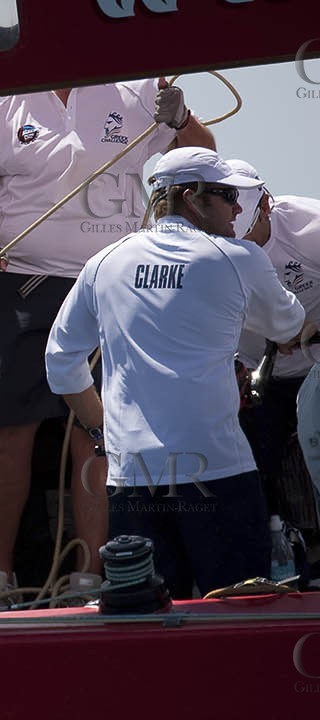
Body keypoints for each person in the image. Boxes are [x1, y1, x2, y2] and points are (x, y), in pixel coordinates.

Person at [0, 78, 215, 601]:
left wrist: (182, 119)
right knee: (5, 430)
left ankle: (90, 579)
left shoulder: (140, 89)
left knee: (98, 433)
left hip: (112, 282)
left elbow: (203, 163)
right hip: (18, 283)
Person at [45, 148, 310, 598]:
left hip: (131, 477)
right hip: (218, 471)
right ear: (191, 198)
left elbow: (61, 361)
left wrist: (103, 430)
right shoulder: (239, 258)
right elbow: (288, 325)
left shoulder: (104, 263)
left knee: (148, 618)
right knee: (236, 611)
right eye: (228, 196)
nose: (238, 209)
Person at [223, 162, 320, 516]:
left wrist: (308, 329)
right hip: (257, 377)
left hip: (316, 370)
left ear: (265, 204)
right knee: (255, 475)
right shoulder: (206, 245)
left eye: (246, 230)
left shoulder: (310, 227)